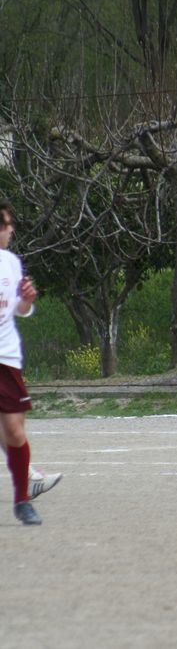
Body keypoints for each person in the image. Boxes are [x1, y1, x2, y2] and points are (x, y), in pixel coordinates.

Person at [0, 201, 44, 525]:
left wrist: (27, 300)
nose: (11, 230)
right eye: (6, 224)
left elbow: (19, 309)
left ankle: (22, 501)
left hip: (5, 356)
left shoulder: (11, 262)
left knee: (15, 431)